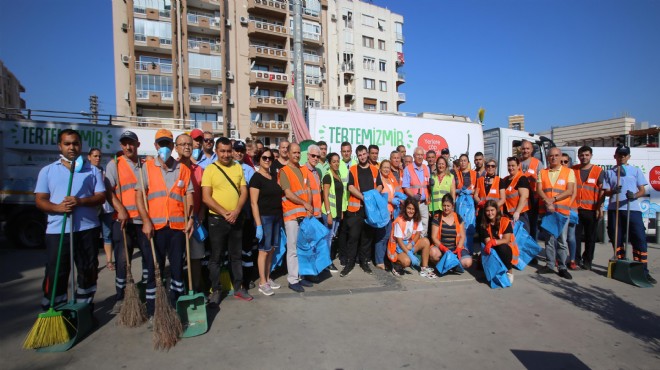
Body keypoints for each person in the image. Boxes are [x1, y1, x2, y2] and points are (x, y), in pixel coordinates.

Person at [35, 129, 105, 311]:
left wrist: (80, 201)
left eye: (75, 143)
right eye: (67, 144)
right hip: (58, 231)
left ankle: (84, 309)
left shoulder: (93, 171)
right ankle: (55, 310)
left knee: (88, 270)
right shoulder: (48, 171)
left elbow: (100, 196)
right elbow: (40, 200)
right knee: (56, 272)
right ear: (60, 146)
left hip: (87, 229)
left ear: (80, 145)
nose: (72, 147)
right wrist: (57, 208)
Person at [136, 129, 194, 309]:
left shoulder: (182, 169)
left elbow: (189, 195)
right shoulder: (146, 168)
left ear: (172, 146)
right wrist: (145, 221)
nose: (165, 147)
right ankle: (154, 309)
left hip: (178, 227)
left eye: (168, 143)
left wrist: (190, 218)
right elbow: (140, 197)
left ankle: (178, 305)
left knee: (177, 269)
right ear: (156, 146)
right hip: (155, 227)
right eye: (161, 144)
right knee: (155, 270)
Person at [105, 131, 154, 315]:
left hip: (143, 220)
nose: (128, 147)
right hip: (124, 220)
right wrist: (121, 210)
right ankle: (121, 296)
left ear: (138, 144)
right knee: (123, 260)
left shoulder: (146, 165)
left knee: (148, 257)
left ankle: (145, 292)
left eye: (131, 143)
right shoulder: (115, 165)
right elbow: (108, 191)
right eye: (124, 143)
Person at [202, 137, 252, 303]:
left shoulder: (237, 167)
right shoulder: (210, 170)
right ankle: (216, 290)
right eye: (222, 151)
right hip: (217, 219)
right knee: (216, 257)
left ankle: (238, 287)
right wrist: (225, 213)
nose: (225, 154)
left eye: (228, 151)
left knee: (236, 255)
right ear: (216, 151)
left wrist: (236, 211)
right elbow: (206, 198)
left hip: (236, 218)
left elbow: (244, 191)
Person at [602, 145, 655, 284]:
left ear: (629, 157)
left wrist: (634, 195)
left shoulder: (635, 171)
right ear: (615, 156)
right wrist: (613, 191)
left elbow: (642, 190)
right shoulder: (610, 172)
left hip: (632, 209)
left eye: (625, 155)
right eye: (619, 154)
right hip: (615, 209)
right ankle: (620, 266)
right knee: (616, 238)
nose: (622, 157)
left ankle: (643, 271)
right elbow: (605, 191)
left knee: (639, 238)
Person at [279, 142, 315, 292]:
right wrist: (305, 204)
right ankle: (293, 279)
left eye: (299, 152)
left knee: (302, 248)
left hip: (303, 214)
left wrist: (309, 206)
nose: (297, 155)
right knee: (293, 248)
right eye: (294, 152)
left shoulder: (303, 170)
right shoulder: (284, 171)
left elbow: (308, 190)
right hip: (292, 216)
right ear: (287, 153)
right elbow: (288, 193)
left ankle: (301, 276)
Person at [342, 145, 383, 277]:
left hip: (370, 211)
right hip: (356, 210)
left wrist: (372, 197)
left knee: (367, 238)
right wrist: (365, 197)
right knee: (353, 238)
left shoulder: (375, 170)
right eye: (360, 155)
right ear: (357, 156)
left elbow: (380, 185)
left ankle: (364, 262)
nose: (363, 157)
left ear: (367, 154)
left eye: (364, 154)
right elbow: (351, 187)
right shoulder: (353, 169)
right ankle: (350, 263)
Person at [175, 133, 206, 294]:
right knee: (177, 259)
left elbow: (204, 194)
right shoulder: (172, 169)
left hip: (195, 220)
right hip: (177, 221)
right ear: (176, 147)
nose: (187, 147)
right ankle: (179, 291)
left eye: (189, 144)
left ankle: (196, 289)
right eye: (183, 144)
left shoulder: (199, 170)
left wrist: (200, 212)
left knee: (196, 258)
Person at [536, 147, 574, 280]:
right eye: (551, 156)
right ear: (547, 157)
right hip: (548, 211)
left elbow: (569, 190)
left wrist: (553, 199)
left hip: (562, 212)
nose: (554, 158)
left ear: (560, 156)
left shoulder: (568, 172)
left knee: (562, 240)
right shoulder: (543, 172)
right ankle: (550, 265)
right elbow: (539, 189)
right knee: (549, 240)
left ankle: (562, 267)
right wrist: (547, 201)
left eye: (556, 155)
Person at [249, 148, 283, 296]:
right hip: (264, 218)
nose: (268, 160)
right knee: (263, 251)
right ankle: (262, 282)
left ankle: (268, 278)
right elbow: (253, 203)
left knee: (272, 250)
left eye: (270, 158)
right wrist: (258, 225)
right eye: (264, 158)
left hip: (276, 217)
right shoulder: (256, 178)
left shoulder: (273, 176)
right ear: (259, 159)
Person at [572, 146, 604, 271]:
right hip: (576, 209)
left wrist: (599, 208)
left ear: (590, 155)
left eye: (586, 155)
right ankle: (576, 258)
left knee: (590, 237)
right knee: (575, 236)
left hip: (591, 209)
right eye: (581, 155)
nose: (584, 157)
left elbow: (602, 191)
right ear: (578, 156)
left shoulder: (598, 171)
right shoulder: (573, 170)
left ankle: (588, 260)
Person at [387, 198, 434, 278]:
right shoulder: (399, 220)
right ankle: (396, 265)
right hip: (397, 248)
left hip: (409, 244)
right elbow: (399, 240)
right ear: (405, 208)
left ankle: (424, 268)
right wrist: (409, 254)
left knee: (426, 241)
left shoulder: (416, 219)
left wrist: (411, 244)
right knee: (407, 261)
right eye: (409, 208)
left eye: (413, 209)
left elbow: (418, 233)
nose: (411, 211)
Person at [234, 141, 257, 288]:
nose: (239, 153)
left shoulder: (249, 170)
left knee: (246, 250)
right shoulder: (226, 167)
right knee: (233, 250)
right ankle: (235, 279)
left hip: (246, 215)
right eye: (236, 150)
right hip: (229, 216)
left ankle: (247, 279)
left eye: (241, 150)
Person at [478, 200, 518, 284]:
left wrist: (493, 242)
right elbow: (487, 241)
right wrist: (490, 243)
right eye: (487, 211)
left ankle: (509, 271)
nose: (490, 213)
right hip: (493, 249)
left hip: (507, 249)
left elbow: (506, 239)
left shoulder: (505, 221)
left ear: (496, 210)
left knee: (502, 247)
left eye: (492, 210)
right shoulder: (483, 224)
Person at [88, 147, 115, 272]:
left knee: (107, 235)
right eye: (95, 156)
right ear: (89, 157)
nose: (97, 158)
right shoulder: (86, 172)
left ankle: (109, 261)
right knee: (92, 237)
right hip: (93, 210)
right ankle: (92, 262)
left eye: (99, 156)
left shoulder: (104, 172)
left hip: (106, 209)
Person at [430, 194, 471, 271]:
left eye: (448, 206)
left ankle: (452, 263)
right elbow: (434, 237)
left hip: (455, 248)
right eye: (444, 205)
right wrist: (443, 248)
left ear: (452, 206)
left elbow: (462, 236)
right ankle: (445, 264)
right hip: (442, 249)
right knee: (433, 253)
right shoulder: (437, 217)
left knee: (468, 262)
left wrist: (459, 248)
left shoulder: (458, 217)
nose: (446, 208)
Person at [374, 160, 401, 270]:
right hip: (383, 212)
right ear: (380, 169)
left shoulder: (390, 179)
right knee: (381, 237)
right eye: (384, 167)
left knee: (387, 237)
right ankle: (379, 261)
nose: (386, 169)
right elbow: (379, 195)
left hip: (391, 212)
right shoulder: (379, 180)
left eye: (388, 167)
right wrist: (391, 200)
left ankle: (384, 258)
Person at [321, 153, 343, 273]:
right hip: (329, 213)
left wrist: (341, 211)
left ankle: (326, 261)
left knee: (331, 237)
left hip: (336, 213)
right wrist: (329, 213)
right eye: (334, 161)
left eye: (337, 161)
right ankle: (326, 263)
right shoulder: (328, 176)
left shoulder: (338, 174)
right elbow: (325, 195)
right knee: (328, 238)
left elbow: (340, 196)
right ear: (329, 163)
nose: (336, 163)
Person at [403, 147, 431, 237]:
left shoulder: (426, 168)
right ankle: (412, 247)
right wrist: (413, 196)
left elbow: (427, 186)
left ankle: (422, 247)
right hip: (413, 203)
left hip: (424, 203)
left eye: (421, 155)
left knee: (424, 226)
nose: (420, 157)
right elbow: (405, 186)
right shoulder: (408, 169)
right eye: (418, 155)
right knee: (412, 225)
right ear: (414, 156)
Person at [499, 157, 531, 233]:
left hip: (520, 215)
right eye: (509, 166)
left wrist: (517, 212)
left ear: (518, 166)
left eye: (513, 165)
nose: (511, 168)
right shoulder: (505, 179)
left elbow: (524, 196)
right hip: (508, 215)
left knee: (522, 238)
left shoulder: (521, 178)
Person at [336, 141, 356, 265]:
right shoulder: (338, 165)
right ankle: (342, 256)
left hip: (353, 203)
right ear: (341, 152)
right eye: (344, 151)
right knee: (342, 232)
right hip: (342, 204)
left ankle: (351, 255)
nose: (346, 153)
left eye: (348, 151)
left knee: (353, 232)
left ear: (351, 152)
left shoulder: (356, 164)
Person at [519, 140, 544, 238]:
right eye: (523, 148)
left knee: (533, 224)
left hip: (533, 198)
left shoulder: (537, 163)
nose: (525, 151)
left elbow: (542, 181)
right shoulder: (518, 163)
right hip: (521, 198)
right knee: (524, 224)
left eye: (527, 148)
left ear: (532, 150)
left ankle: (533, 245)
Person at [562, 153, 580, 270]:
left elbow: (573, 192)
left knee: (571, 236)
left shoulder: (571, 174)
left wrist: (568, 205)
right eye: (561, 161)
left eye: (565, 161)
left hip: (571, 208)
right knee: (560, 236)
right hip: (559, 209)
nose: (563, 163)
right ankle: (561, 259)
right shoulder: (558, 174)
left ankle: (572, 259)